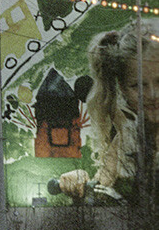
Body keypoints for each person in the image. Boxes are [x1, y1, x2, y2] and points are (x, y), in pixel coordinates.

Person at [54, 21, 159, 204]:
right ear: (122, 89)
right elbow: (100, 189)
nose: (152, 94)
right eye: (138, 86)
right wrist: (79, 179)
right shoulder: (126, 140)